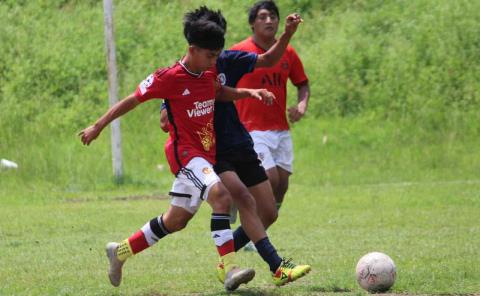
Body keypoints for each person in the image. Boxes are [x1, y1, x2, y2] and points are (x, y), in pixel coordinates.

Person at [79, 7, 275, 292]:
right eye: (210, 56)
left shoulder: (207, 72)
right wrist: (98, 126)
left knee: (175, 221)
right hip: (186, 155)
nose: (214, 62)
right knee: (221, 196)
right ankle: (229, 267)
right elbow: (132, 100)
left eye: (217, 55)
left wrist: (249, 93)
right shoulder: (169, 77)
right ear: (192, 49)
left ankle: (119, 252)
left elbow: (219, 93)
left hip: (204, 156)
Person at [160, 7, 311, 287]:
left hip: (241, 143)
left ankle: (224, 259)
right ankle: (277, 267)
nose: (215, 50)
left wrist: (288, 33)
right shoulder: (184, 72)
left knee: (269, 212)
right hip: (213, 150)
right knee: (242, 197)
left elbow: (269, 58)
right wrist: (168, 114)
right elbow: (164, 116)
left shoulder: (228, 60)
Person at [231, 0, 310, 215]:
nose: (269, 21)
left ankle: (258, 226)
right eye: (263, 17)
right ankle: (249, 231)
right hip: (250, 129)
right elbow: (221, 85)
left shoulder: (289, 52)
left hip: (280, 129)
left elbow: (302, 83)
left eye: (273, 17)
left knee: (282, 185)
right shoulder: (239, 52)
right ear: (252, 24)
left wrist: (301, 105)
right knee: (269, 178)